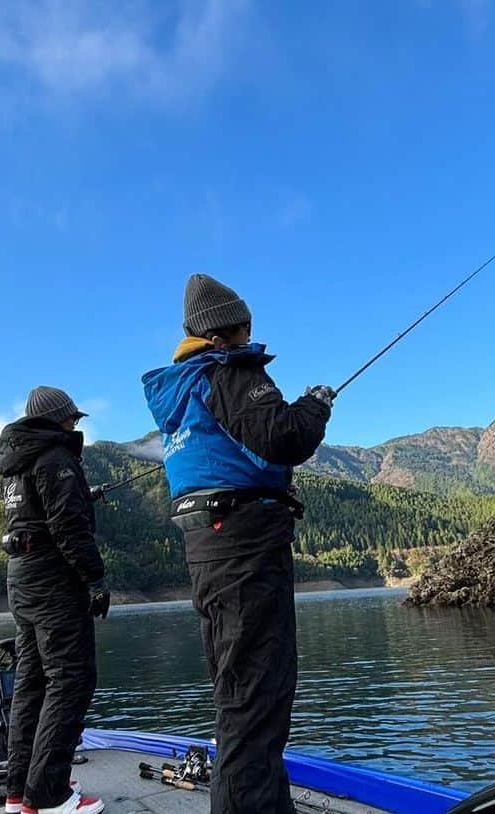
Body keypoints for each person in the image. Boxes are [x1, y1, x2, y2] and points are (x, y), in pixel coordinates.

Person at [142, 274, 336, 813]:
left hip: (210, 548)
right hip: (246, 545)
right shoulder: (229, 372)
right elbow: (284, 438)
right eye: (248, 324)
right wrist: (315, 404)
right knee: (256, 698)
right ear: (233, 327)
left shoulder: (182, 387)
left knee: (244, 695)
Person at [0, 386, 110, 814]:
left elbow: (38, 514)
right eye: (71, 418)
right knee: (71, 681)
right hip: (54, 585)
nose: (75, 424)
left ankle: (19, 790)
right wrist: (95, 580)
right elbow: (68, 528)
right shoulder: (55, 457)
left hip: (21, 582)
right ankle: (50, 797)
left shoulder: (17, 464)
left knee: (31, 684)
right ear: (56, 419)